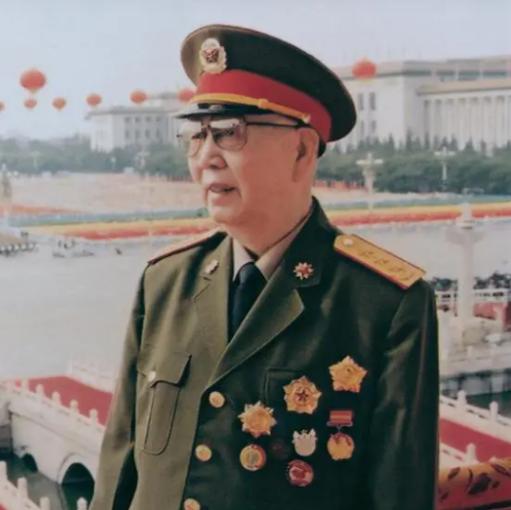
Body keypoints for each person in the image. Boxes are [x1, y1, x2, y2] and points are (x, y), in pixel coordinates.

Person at [90, 24, 439, 510]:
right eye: (196, 135)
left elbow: (399, 494)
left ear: (302, 150)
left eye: (228, 133)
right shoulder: (165, 281)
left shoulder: (383, 303)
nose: (206, 158)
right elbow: (119, 468)